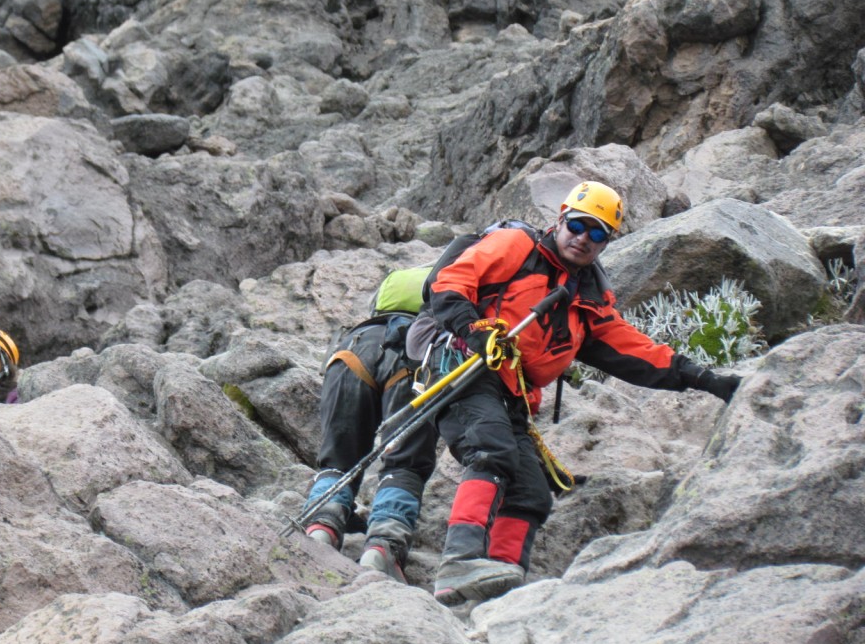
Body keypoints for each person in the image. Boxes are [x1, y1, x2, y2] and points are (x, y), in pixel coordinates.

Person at [422, 181, 741, 606]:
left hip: (512, 394)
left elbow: (636, 351)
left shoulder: (587, 299)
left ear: (606, 243)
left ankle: (497, 586)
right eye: (577, 225)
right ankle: (460, 562)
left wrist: (704, 378)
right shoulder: (515, 245)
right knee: (490, 449)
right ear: (560, 219)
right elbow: (450, 282)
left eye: (597, 233)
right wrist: (473, 328)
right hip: (464, 368)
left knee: (532, 491)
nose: (583, 238)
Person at [302, 309, 439, 583]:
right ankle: (383, 545)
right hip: (415, 357)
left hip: (352, 349)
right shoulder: (452, 287)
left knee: (338, 461)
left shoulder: (390, 290)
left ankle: (321, 524)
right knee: (404, 464)